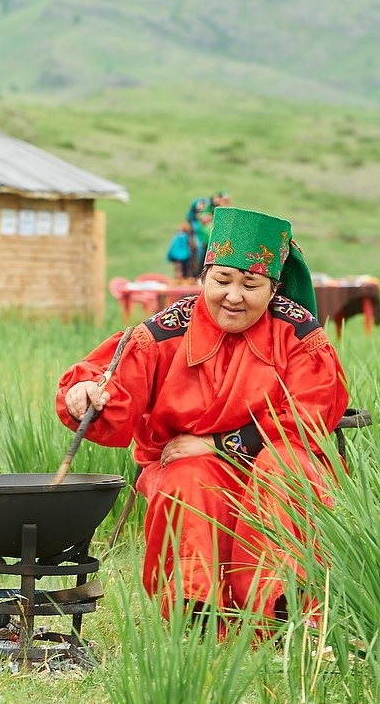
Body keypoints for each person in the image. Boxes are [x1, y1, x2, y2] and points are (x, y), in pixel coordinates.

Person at [56, 206, 349, 629]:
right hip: (184, 467)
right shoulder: (164, 332)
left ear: (273, 289)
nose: (234, 296)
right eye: (222, 280)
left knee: (284, 468)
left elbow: (311, 413)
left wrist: (218, 443)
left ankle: (286, 616)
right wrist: (83, 394)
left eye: (251, 284)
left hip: (275, 461)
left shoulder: (300, 334)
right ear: (202, 278)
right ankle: (199, 619)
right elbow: (110, 383)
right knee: (190, 477)